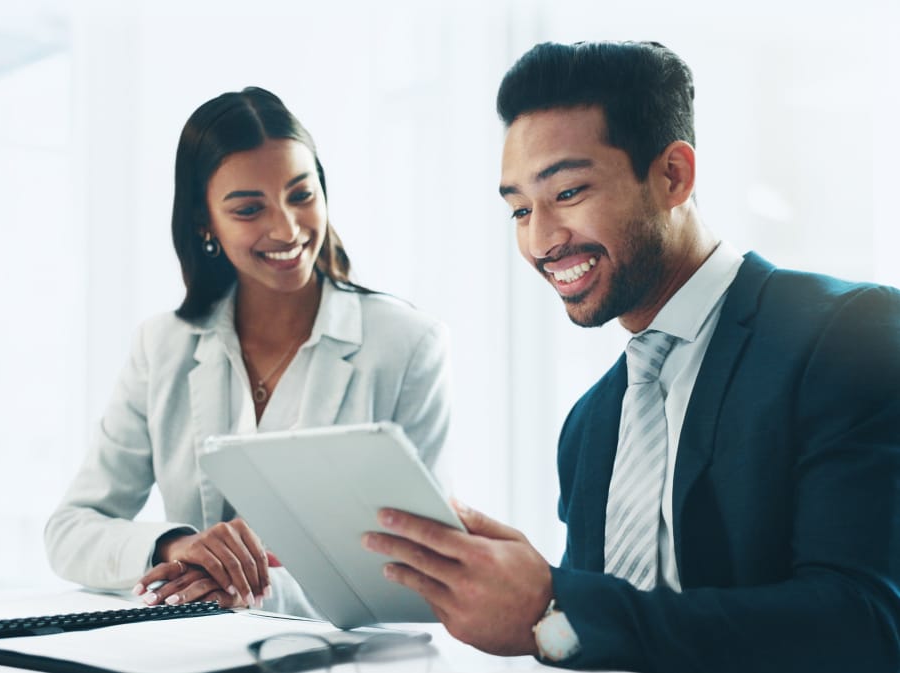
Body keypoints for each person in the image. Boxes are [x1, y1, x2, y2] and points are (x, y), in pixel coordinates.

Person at [361, 41, 900, 672]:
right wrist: (535, 618)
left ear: (673, 176)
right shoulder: (590, 425)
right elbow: (595, 642)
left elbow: (867, 627)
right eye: (519, 209)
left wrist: (552, 602)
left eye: (567, 193)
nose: (541, 240)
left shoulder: (850, 335)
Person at [44, 87, 450, 618]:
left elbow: (422, 564)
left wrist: (245, 589)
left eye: (302, 195)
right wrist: (175, 546)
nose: (285, 228)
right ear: (204, 222)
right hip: (195, 652)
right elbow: (71, 531)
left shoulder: (406, 344)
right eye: (249, 209)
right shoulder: (162, 345)